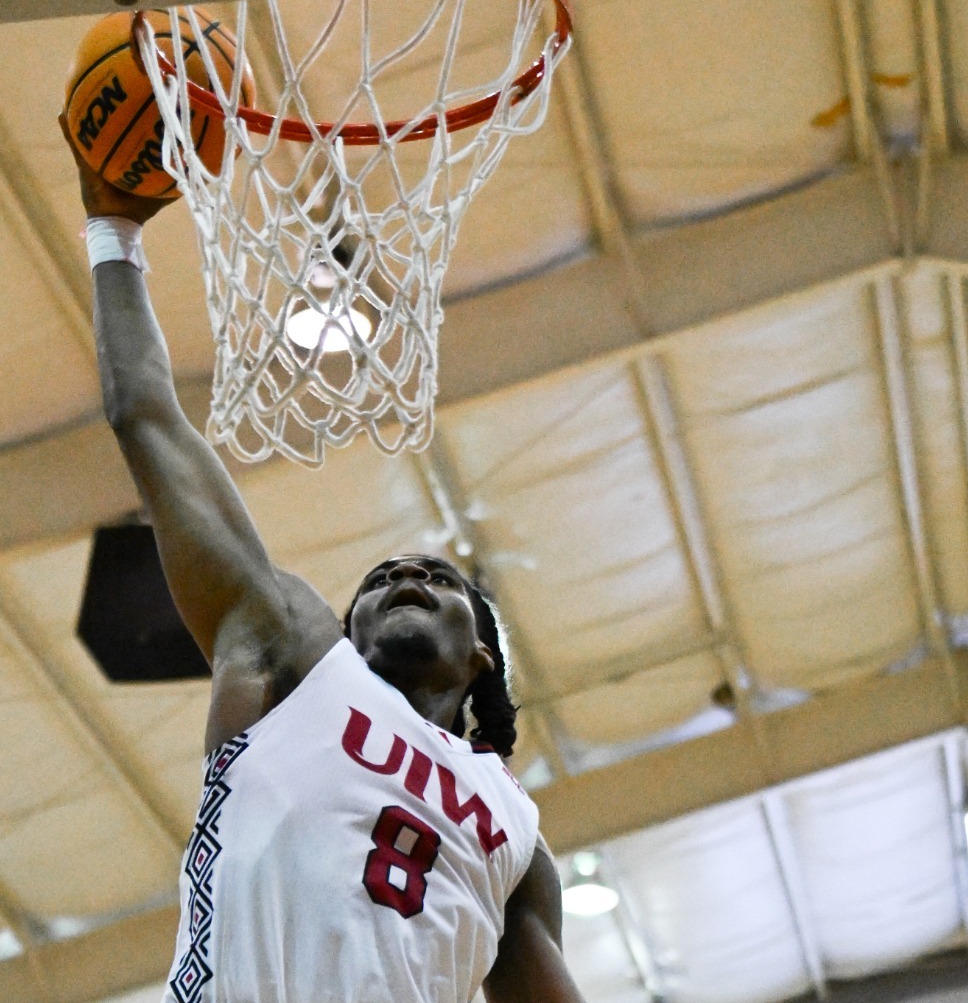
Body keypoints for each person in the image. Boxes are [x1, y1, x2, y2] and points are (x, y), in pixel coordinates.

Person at [69, 132, 588, 1003]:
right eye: (381, 576)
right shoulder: (290, 649)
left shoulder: (517, 838)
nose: (405, 577)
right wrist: (111, 232)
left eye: (440, 577)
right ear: (347, 630)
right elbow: (144, 415)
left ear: (482, 658)